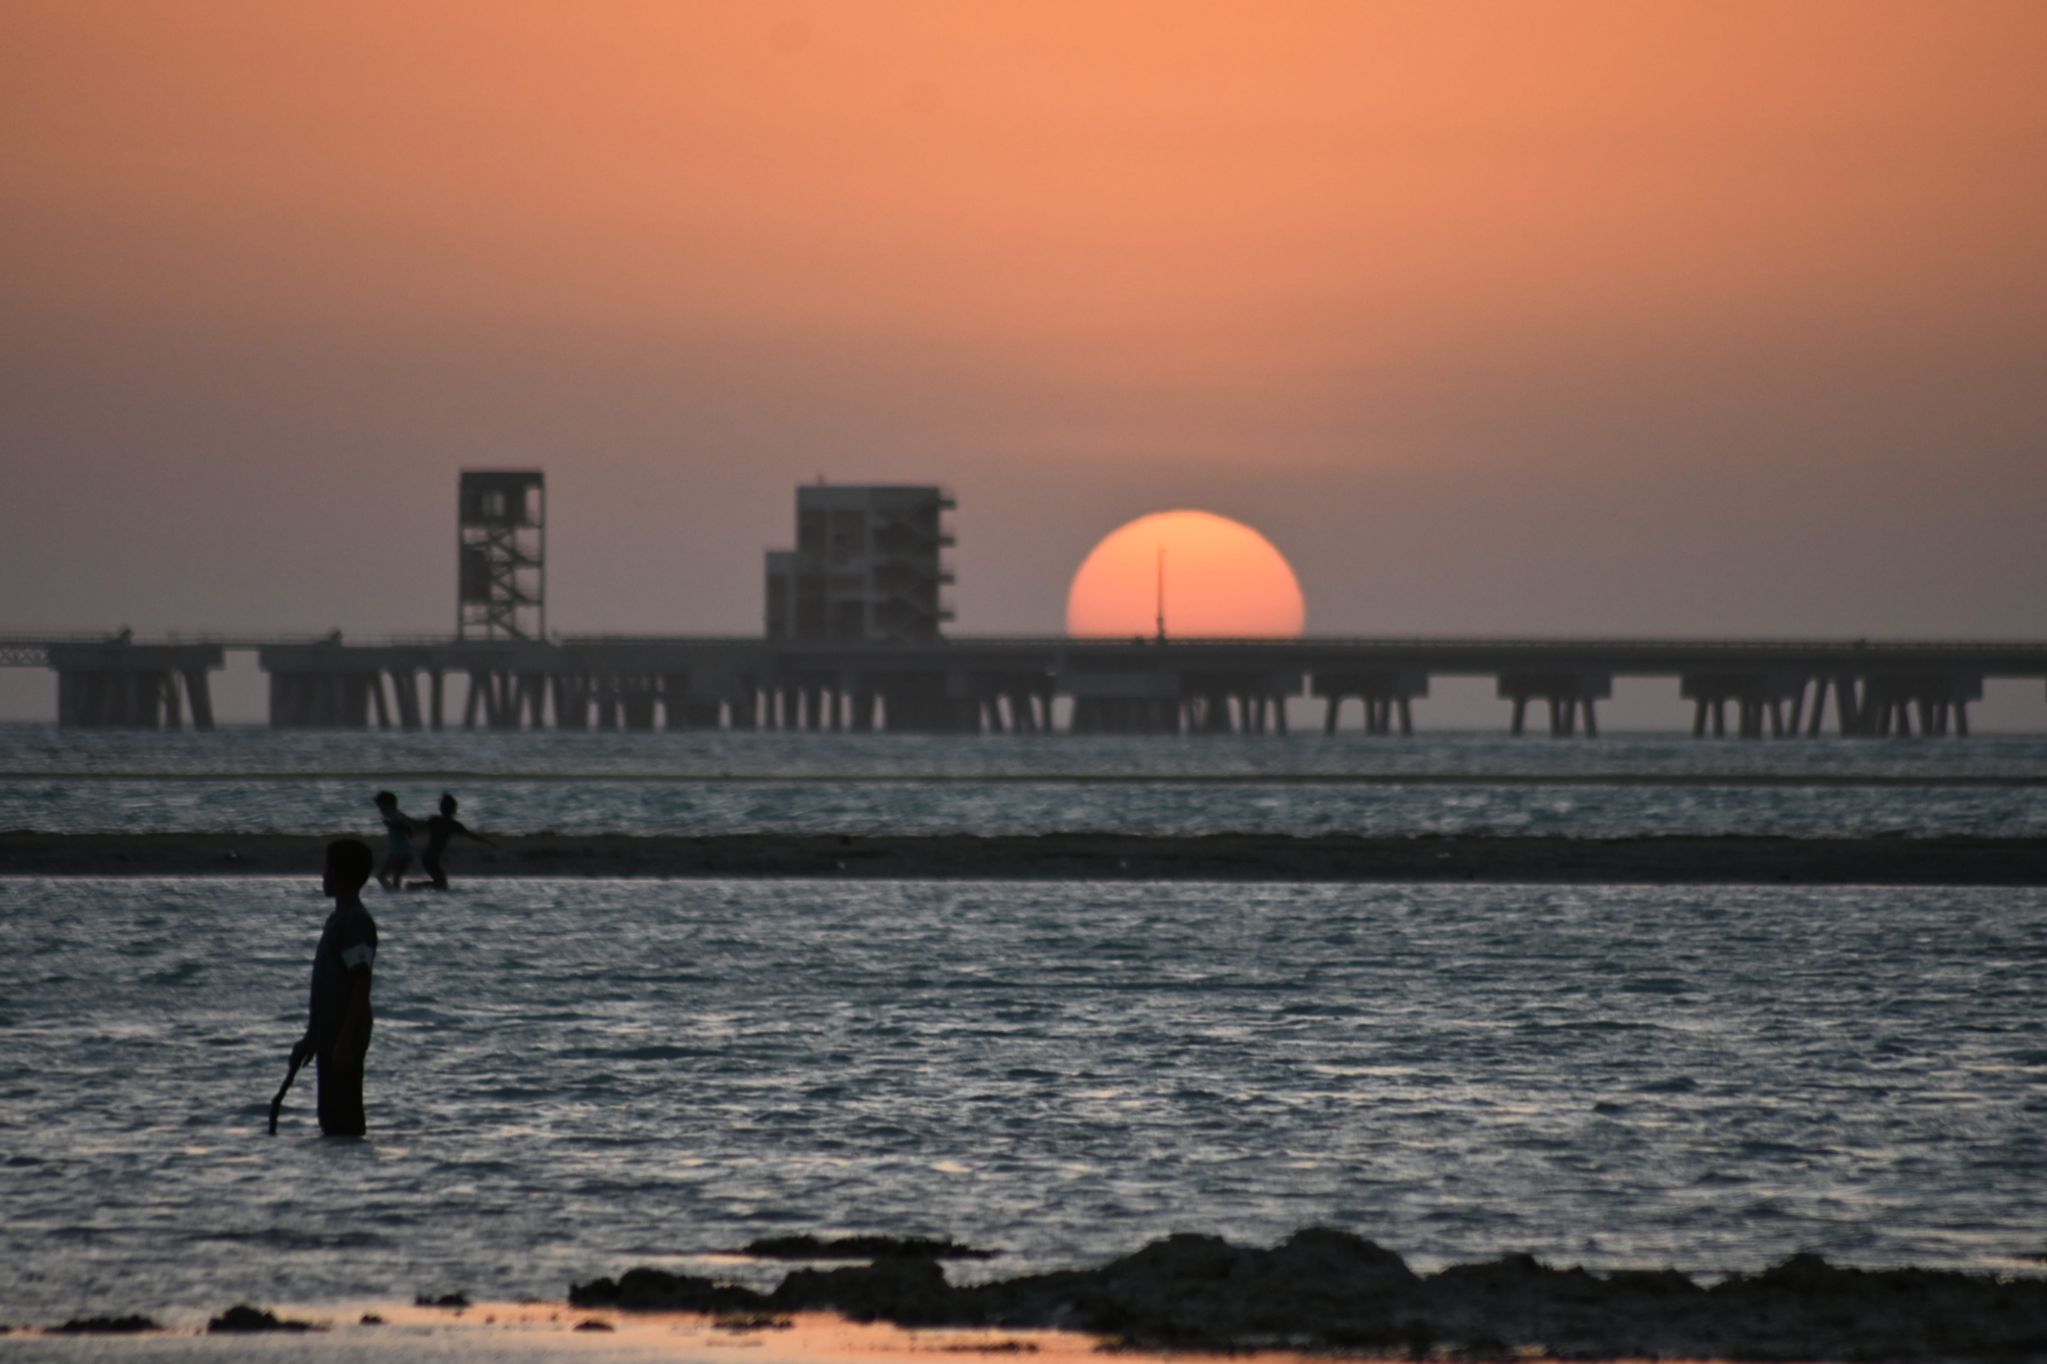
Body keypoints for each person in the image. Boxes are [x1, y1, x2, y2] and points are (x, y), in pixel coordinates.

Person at [292, 839, 378, 1137]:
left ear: (340, 874)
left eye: (327, 868)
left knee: (345, 1121)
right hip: (329, 1036)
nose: (322, 875)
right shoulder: (338, 918)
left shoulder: (354, 921)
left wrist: (344, 1041)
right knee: (331, 1120)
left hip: (343, 1037)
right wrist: (311, 1037)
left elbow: (361, 981)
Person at [408, 792, 497, 891]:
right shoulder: (452, 824)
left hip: (428, 858)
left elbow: (419, 825)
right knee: (442, 885)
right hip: (431, 859)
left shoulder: (435, 820)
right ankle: (414, 886)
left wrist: (407, 822)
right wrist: (489, 842)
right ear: (454, 809)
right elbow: (470, 835)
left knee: (441, 884)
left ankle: (414, 886)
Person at [373, 790, 415, 891]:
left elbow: (402, 826)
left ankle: (393, 893)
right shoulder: (396, 815)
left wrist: (390, 824)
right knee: (395, 878)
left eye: (380, 806)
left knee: (382, 876)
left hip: (400, 853)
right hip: (403, 852)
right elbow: (409, 829)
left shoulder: (395, 816)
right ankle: (395, 893)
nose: (380, 809)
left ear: (387, 805)